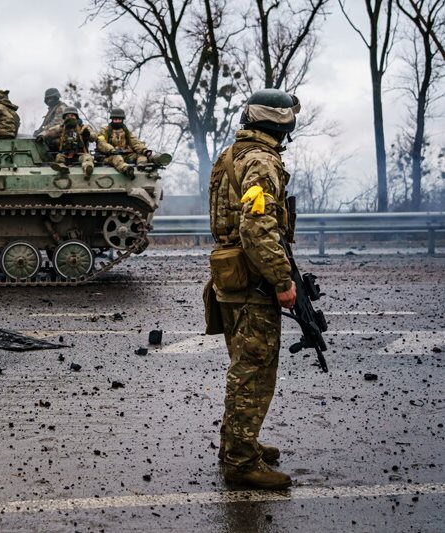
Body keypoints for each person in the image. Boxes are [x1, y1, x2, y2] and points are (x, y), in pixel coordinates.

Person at [204, 88, 302, 490]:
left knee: (246, 365)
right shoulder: (262, 161)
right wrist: (282, 280)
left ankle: (241, 443)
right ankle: (241, 462)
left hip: (232, 276)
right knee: (254, 369)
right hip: (253, 280)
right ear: (280, 123)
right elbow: (257, 227)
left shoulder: (232, 155)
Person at [96, 108, 153, 175]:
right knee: (117, 158)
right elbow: (101, 143)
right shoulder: (105, 130)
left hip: (125, 155)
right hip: (109, 156)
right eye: (115, 119)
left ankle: (141, 166)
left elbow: (135, 142)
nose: (117, 121)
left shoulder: (125, 131)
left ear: (122, 120)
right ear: (112, 119)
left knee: (140, 155)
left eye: (119, 119)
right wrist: (111, 150)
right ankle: (126, 170)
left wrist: (144, 150)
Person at [43, 106, 94, 178]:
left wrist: (88, 134)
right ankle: (63, 168)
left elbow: (94, 137)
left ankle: (88, 170)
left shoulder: (83, 127)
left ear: (76, 117)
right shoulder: (61, 128)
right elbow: (48, 132)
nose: (70, 117)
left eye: (72, 115)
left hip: (80, 154)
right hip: (65, 154)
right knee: (59, 158)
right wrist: (41, 136)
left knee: (87, 158)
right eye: (67, 116)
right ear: (64, 118)